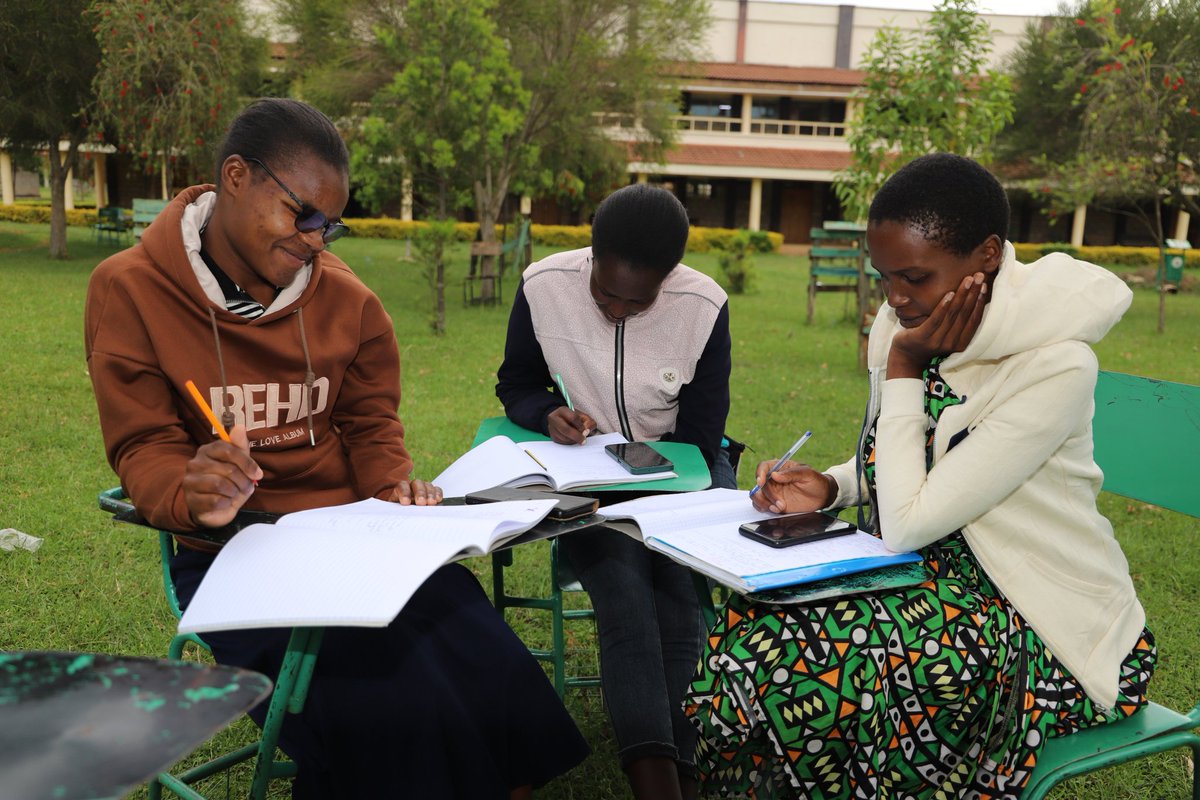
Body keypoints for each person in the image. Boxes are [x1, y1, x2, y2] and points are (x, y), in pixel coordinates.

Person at [84, 97, 588, 799]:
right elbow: (143, 446)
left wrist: (393, 483)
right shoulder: (130, 290)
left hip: (354, 536)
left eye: (332, 224)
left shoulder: (348, 301)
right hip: (237, 556)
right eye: (303, 215)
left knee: (478, 651)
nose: (318, 241)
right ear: (237, 177)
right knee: (380, 697)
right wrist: (187, 487)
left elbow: (371, 420)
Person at [685, 153, 1156, 799]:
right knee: (753, 632)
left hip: (1039, 620)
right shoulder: (907, 322)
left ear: (986, 255)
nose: (896, 298)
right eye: (884, 278)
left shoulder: (1054, 365)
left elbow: (906, 522)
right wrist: (833, 485)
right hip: (923, 583)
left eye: (914, 276)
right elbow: (914, 458)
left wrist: (906, 366)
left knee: (818, 668)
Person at [496, 183, 735, 800]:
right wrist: (547, 411)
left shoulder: (704, 305)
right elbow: (516, 382)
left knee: (678, 598)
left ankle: (686, 763)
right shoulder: (544, 285)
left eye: (641, 299)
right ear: (590, 256)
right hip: (588, 483)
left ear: (670, 277)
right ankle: (656, 779)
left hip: (682, 477)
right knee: (625, 599)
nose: (621, 310)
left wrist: (661, 491)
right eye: (607, 294)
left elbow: (703, 434)